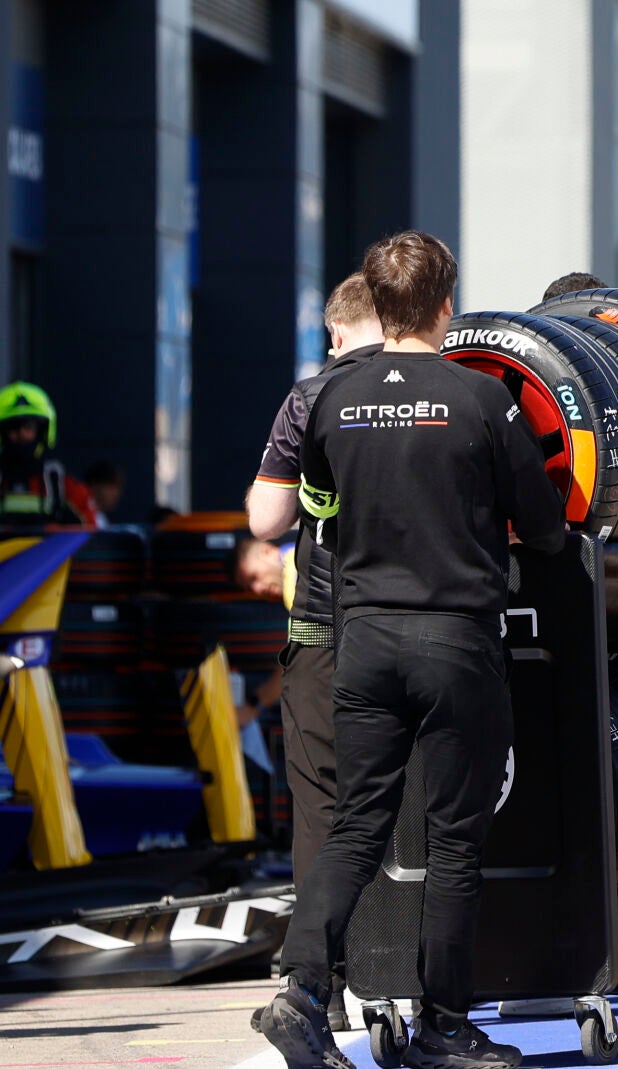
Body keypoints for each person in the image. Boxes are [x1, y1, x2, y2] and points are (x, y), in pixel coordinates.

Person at [252, 231, 566, 1069]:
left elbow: (307, 508)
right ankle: (443, 1026)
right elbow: (545, 526)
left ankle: (301, 989)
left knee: (356, 826)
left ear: (378, 302)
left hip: (362, 640)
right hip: (455, 639)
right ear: (443, 305)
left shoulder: (329, 401)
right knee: (453, 841)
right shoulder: (481, 400)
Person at [244, 272, 383, 1033]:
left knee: (322, 810)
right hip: (421, 627)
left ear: (334, 332)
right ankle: (422, 976)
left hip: (326, 633)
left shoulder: (311, 398)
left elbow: (264, 520)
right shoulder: (453, 390)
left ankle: (319, 985)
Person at [0, 382, 97, 527]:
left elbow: (92, 532)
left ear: (42, 431)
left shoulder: (59, 482)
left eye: (28, 427)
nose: (21, 435)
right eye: (14, 428)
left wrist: (56, 531)